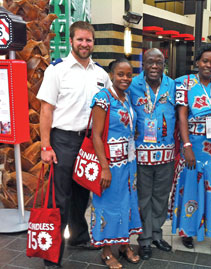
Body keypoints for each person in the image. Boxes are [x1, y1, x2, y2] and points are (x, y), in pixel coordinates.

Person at [37, 21, 112, 268]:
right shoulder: (57, 70)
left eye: (88, 40)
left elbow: (112, 104)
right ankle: (52, 253)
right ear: (71, 41)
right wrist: (45, 146)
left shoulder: (100, 74)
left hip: (90, 141)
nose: (84, 44)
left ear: (93, 42)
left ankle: (79, 237)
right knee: (61, 197)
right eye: (80, 39)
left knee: (82, 193)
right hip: (63, 140)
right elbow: (46, 110)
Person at [171, 43, 211, 257]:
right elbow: (182, 115)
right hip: (196, 145)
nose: (209, 65)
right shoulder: (185, 83)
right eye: (205, 61)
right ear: (197, 62)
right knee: (191, 184)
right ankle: (188, 229)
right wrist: (186, 145)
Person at [90, 59, 142, 268]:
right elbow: (96, 135)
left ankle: (124, 244)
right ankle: (106, 250)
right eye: (120, 74)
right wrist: (104, 167)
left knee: (127, 204)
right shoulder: (102, 99)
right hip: (110, 164)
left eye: (129, 75)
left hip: (129, 163)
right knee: (107, 205)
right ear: (111, 75)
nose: (125, 79)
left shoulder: (126, 98)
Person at [128, 48, 176, 260]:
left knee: (161, 197)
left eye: (159, 62)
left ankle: (157, 234)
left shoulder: (173, 85)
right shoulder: (132, 85)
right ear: (143, 64)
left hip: (166, 153)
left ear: (164, 64)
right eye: (150, 62)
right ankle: (144, 239)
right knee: (143, 197)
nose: (154, 66)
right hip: (141, 153)